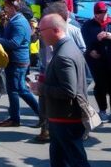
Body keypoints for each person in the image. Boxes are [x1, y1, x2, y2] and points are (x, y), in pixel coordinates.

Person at [30, 14, 90, 167]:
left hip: (65, 119)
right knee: (61, 159)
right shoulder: (67, 48)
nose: (39, 33)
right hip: (64, 118)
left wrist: (41, 88)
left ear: (55, 30)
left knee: (75, 160)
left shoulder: (64, 55)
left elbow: (69, 90)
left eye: (41, 30)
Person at [0, 0, 39, 128]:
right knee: (15, 89)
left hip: (17, 61)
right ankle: (15, 118)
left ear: (14, 8)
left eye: (7, 7)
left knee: (19, 90)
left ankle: (41, 115)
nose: (5, 9)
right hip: (16, 61)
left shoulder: (18, 22)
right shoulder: (15, 20)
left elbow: (14, 43)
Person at [82, 1, 111, 122]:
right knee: (100, 86)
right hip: (96, 61)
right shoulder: (88, 25)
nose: (103, 15)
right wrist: (91, 50)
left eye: (105, 12)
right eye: (100, 13)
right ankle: (102, 110)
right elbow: (84, 43)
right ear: (95, 14)